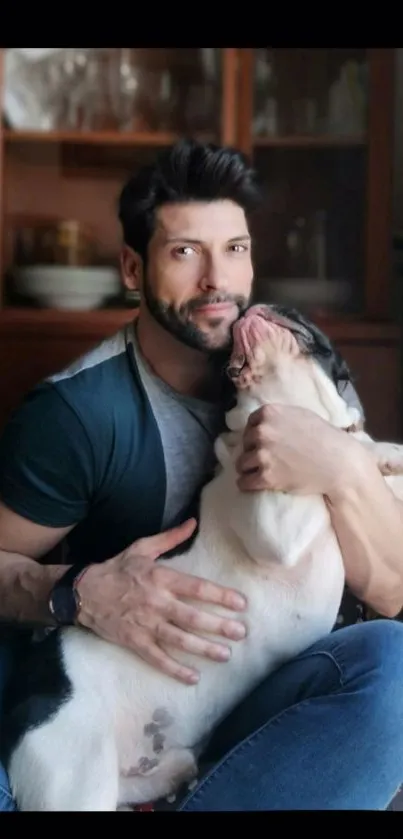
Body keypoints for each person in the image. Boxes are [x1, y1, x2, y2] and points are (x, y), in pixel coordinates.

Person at [0, 138, 403, 812]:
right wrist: (77, 591)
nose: (218, 280)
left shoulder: (292, 363)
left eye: (235, 248)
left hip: (264, 695)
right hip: (133, 696)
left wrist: (341, 463)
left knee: (394, 665)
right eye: (185, 251)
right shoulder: (80, 414)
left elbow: (392, 586)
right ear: (132, 268)